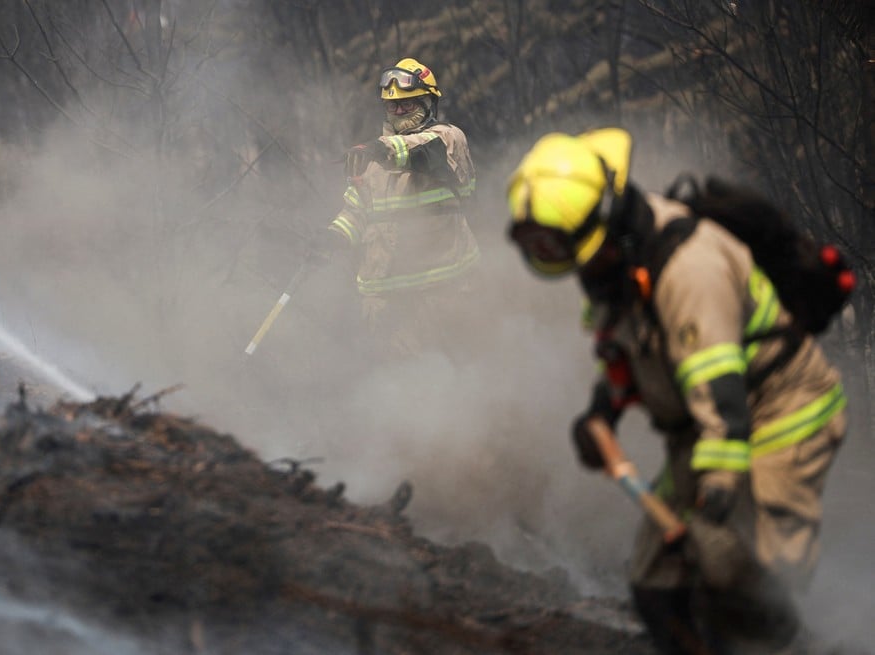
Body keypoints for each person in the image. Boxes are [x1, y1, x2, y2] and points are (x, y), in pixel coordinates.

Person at [505, 127, 846, 653]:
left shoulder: (690, 269)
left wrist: (712, 508)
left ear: (602, 223)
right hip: (705, 426)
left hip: (781, 413)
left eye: (562, 247)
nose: (568, 264)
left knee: (740, 574)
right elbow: (625, 352)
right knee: (656, 585)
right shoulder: (614, 263)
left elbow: (722, 396)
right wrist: (604, 411)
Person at [324, 57, 478, 363]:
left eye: (407, 104)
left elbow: (421, 149)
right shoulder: (375, 158)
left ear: (428, 103)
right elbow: (356, 210)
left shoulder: (447, 140)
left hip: (439, 294)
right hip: (385, 302)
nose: (398, 111)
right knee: (394, 389)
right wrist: (333, 237)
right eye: (392, 106)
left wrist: (381, 150)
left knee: (448, 383)